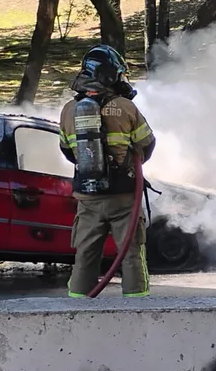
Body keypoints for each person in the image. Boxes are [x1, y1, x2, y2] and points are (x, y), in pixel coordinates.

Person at [58, 45, 156, 298]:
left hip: (87, 197)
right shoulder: (125, 107)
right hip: (123, 196)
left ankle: (78, 306)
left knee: (86, 254)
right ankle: (137, 307)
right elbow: (147, 144)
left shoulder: (69, 110)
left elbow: (67, 151)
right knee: (131, 253)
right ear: (112, 74)